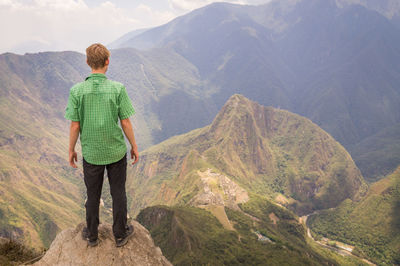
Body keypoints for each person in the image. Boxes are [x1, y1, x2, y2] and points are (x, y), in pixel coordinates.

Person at [64, 43, 139, 247]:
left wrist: (71, 150)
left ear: (88, 62)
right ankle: (121, 234)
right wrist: (134, 146)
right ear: (107, 62)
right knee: (118, 193)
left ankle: (92, 235)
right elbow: (125, 121)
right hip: (115, 151)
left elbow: (74, 125)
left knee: (92, 195)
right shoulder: (117, 89)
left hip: (91, 153)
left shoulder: (77, 91)